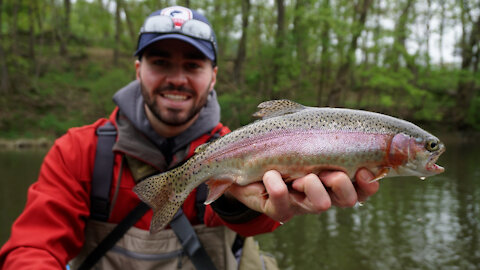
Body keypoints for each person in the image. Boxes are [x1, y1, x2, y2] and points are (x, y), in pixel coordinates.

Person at [0, 5, 379, 269]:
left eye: (192, 65)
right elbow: (32, 247)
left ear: (213, 76)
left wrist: (236, 200)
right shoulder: (78, 150)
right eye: (160, 62)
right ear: (138, 69)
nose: (177, 78)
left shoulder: (248, 143)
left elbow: (254, 223)